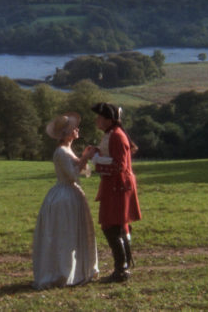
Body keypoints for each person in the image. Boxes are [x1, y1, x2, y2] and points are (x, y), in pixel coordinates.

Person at [32, 112, 99, 289]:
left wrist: (84, 156)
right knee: (64, 234)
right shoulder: (61, 152)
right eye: (73, 128)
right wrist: (85, 157)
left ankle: (77, 270)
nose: (77, 129)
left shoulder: (68, 150)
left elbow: (81, 170)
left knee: (72, 233)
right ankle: (62, 272)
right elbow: (72, 175)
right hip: (64, 196)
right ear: (67, 133)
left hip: (71, 194)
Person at [83, 102, 142, 283]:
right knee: (115, 226)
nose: (97, 120)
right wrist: (97, 151)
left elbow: (119, 165)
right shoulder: (112, 134)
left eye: (100, 117)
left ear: (108, 120)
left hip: (118, 186)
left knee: (112, 226)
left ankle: (121, 269)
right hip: (115, 186)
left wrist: (95, 158)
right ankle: (122, 267)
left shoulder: (116, 136)